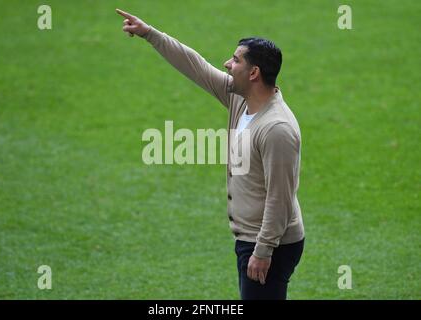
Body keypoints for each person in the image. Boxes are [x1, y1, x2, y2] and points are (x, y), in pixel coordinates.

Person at [116, 8, 305, 300]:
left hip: (270, 243)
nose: (227, 64)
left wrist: (264, 251)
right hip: (253, 239)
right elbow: (196, 66)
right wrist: (150, 34)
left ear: (254, 73)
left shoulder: (277, 128)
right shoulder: (240, 98)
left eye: (236, 60)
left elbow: (279, 197)